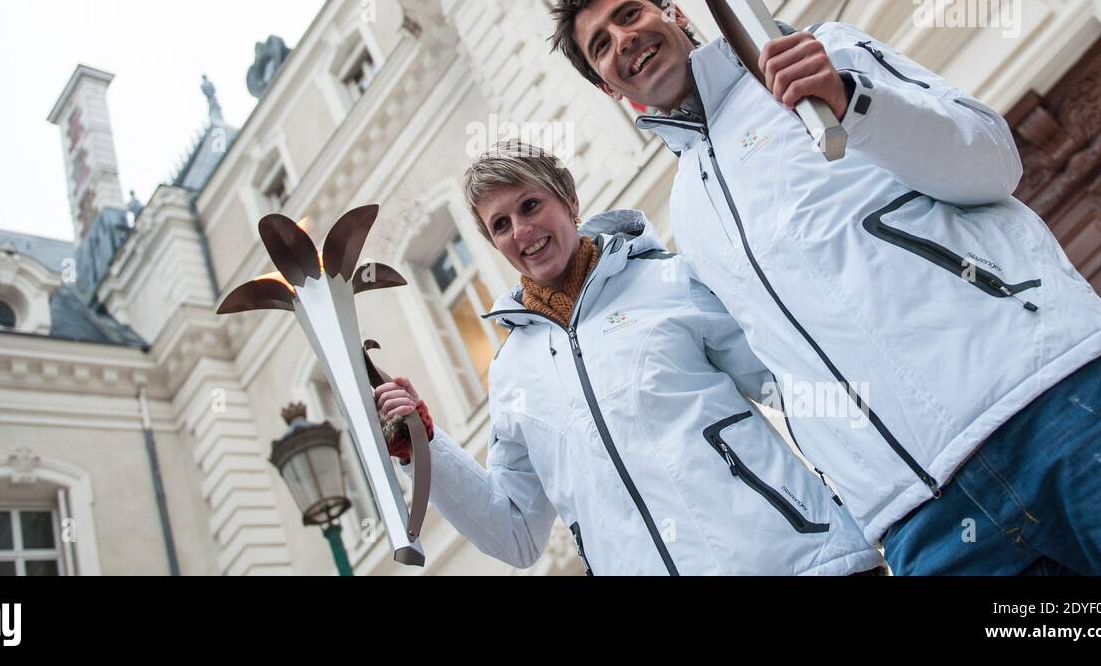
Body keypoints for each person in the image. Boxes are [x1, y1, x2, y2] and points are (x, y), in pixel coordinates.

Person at [544, 0, 1101, 576]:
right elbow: (769, 371)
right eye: (600, 44)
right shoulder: (687, 210)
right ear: (608, 88)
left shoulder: (822, 55)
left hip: (1054, 404)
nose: (623, 39)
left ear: (674, 14)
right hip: (922, 521)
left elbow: (990, 159)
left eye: (630, 15)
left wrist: (853, 100)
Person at [375, 140, 882, 575]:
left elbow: (794, 385)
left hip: (801, 561)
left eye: (530, 205)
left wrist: (886, 499)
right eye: (501, 224)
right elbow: (515, 533)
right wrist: (425, 447)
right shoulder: (513, 373)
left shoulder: (667, 280)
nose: (521, 231)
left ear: (569, 200)